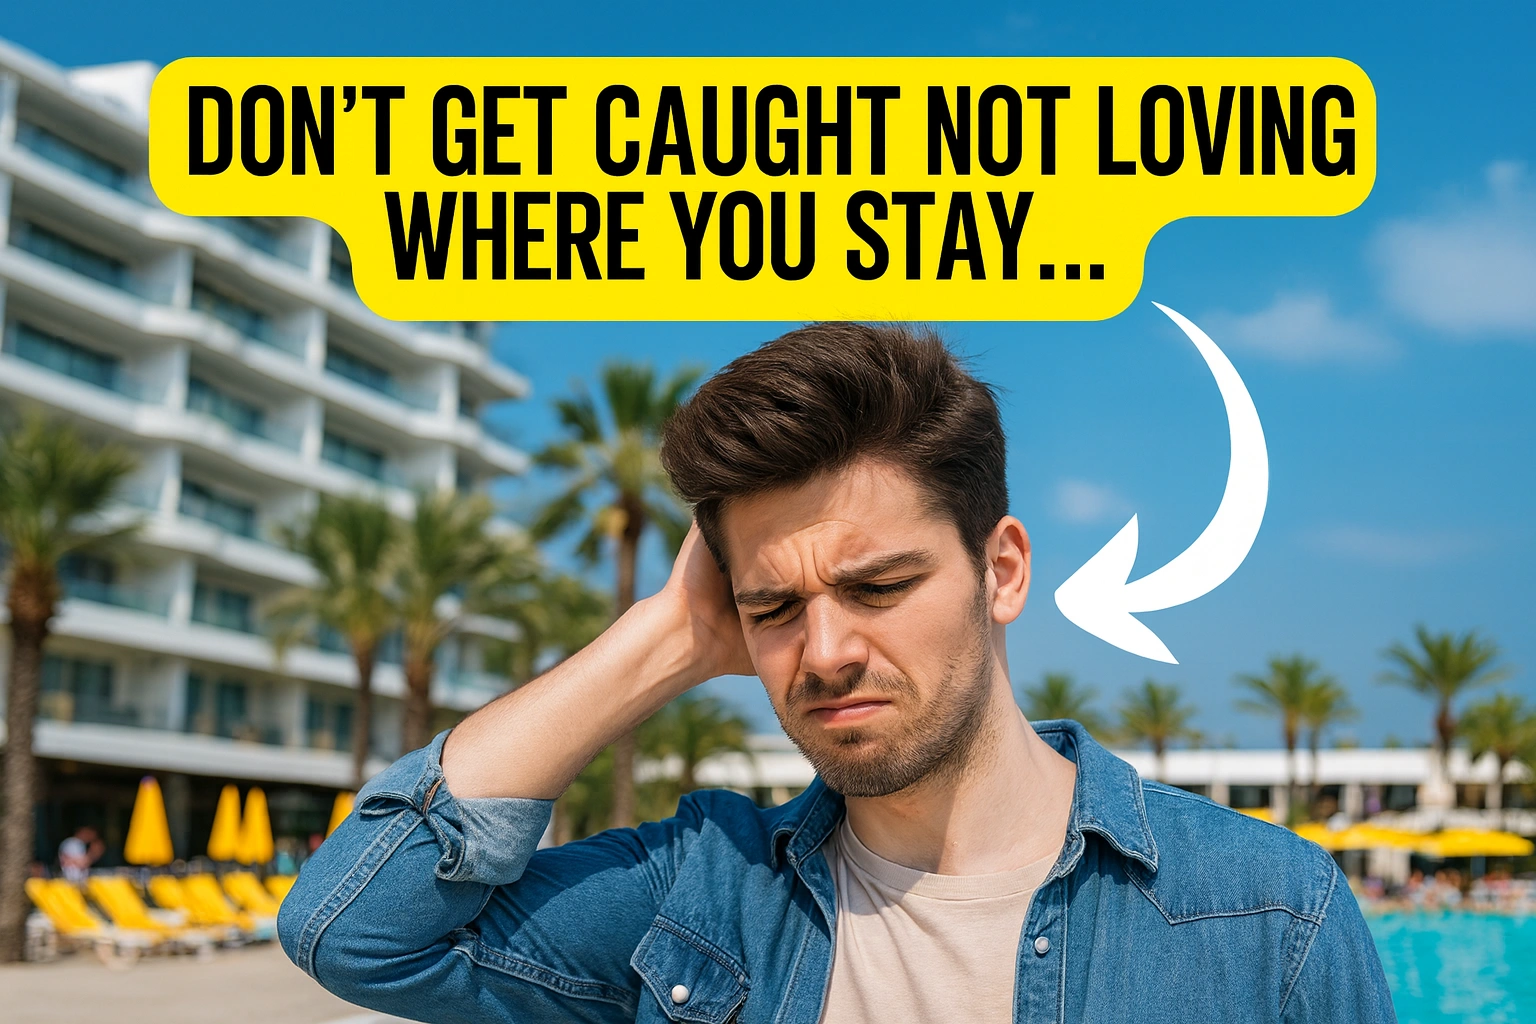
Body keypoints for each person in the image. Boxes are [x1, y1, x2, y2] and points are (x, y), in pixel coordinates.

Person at [279, 323, 1396, 1023]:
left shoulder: (1267, 915)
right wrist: (667, 632)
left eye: (877, 587)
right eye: (770, 608)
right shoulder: (704, 893)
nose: (824, 653)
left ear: (1001, 571)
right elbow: (357, 929)